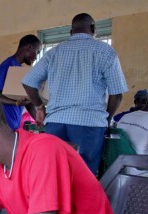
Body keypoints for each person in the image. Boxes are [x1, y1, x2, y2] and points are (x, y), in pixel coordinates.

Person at [23, 13, 128, 175]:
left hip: (56, 123)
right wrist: (106, 119)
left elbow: (29, 82)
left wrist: (39, 107)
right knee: (84, 175)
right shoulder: (106, 52)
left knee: (55, 174)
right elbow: (117, 94)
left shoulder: (54, 52)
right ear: (92, 28)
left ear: (71, 31)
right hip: (89, 124)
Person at [0, 34, 42, 131]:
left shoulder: (20, 71)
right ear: (29, 47)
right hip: (3, 126)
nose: (36, 57)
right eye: (37, 52)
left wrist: (39, 118)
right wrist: (17, 102)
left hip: (15, 125)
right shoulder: (7, 66)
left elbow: (26, 102)